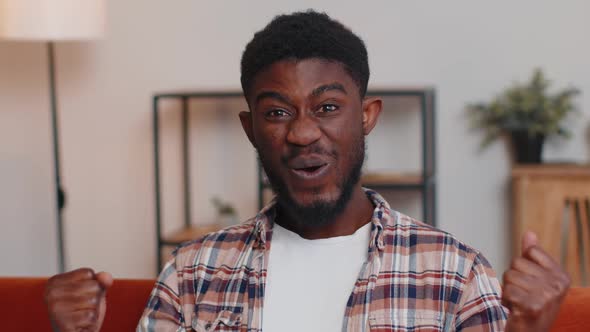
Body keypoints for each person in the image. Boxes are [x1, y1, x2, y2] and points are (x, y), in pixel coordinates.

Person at [45, 10, 570, 332]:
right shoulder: (193, 274)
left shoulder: (455, 276)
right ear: (252, 129)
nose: (301, 133)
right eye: (277, 112)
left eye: (326, 107)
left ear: (366, 118)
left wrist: (528, 329)